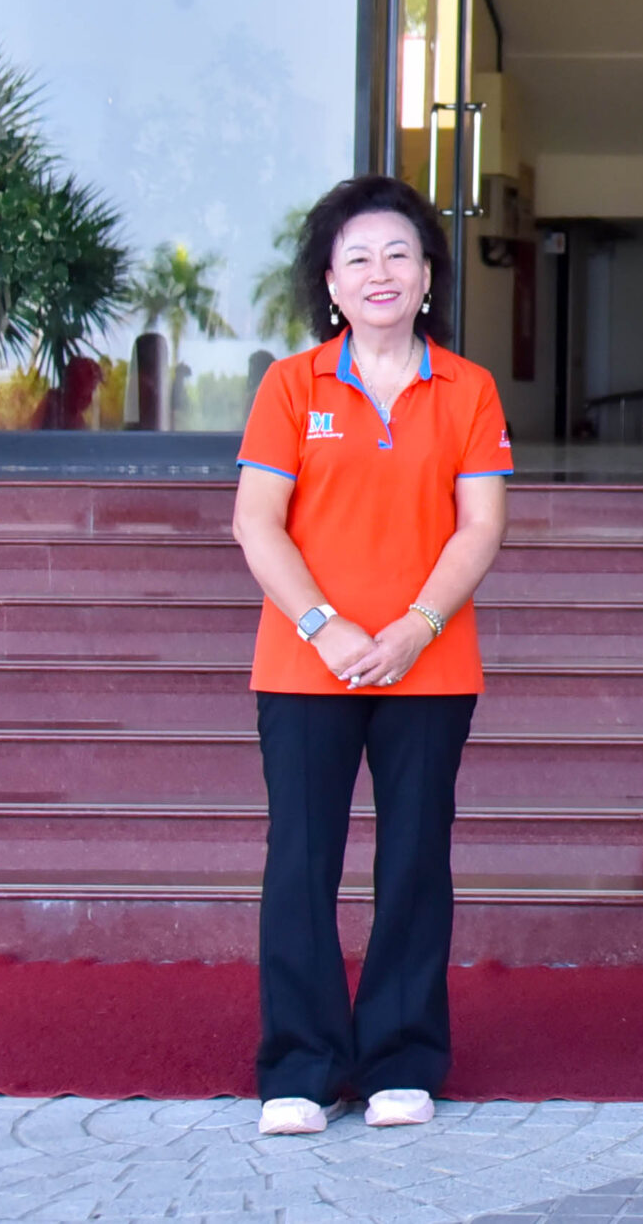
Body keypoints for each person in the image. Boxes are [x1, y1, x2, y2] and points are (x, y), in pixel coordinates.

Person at [231, 175, 512, 1135]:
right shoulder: (290, 385)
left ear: (428, 275)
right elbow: (258, 522)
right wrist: (327, 626)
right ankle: (300, 1065)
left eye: (399, 254)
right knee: (300, 859)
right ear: (331, 283)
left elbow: (480, 526)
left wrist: (416, 626)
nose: (379, 272)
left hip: (428, 663)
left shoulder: (468, 388)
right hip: (304, 663)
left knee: (415, 859)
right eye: (357, 258)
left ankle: (401, 1057)